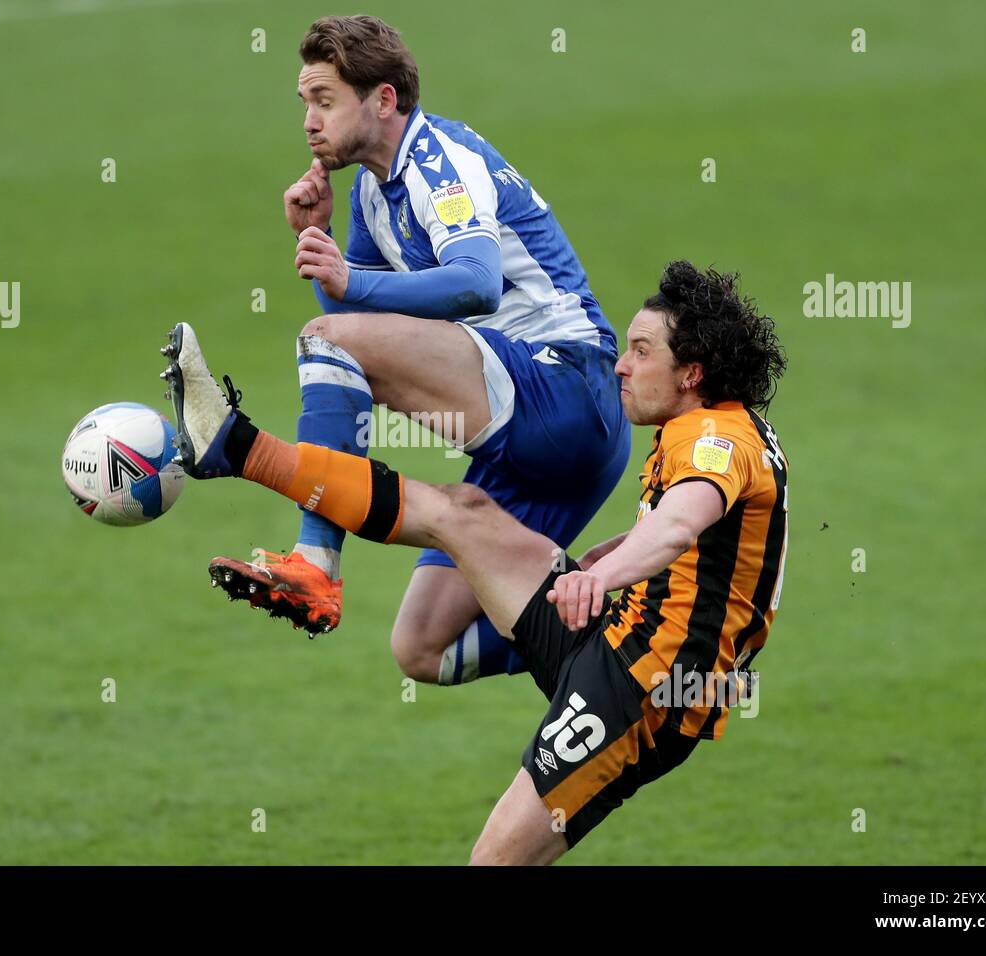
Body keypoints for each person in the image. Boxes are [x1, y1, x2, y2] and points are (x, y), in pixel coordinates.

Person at [160, 260, 789, 863]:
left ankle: (238, 452)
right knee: (459, 511)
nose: (621, 366)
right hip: (610, 633)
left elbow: (682, 524)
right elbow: (699, 544)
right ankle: (237, 448)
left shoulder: (716, 440)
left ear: (692, 374)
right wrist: (611, 554)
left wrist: (597, 575)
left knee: (495, 862)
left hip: (640, 691)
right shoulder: (713, 430)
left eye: (642, 352)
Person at [206, 14, 630, 689]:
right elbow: (360, 325)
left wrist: (347, 279)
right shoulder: (374, 190)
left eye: (325, 101)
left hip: (567, 389)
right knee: (422, 649)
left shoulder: (440, 162)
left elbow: (477, 282)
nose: (310, 122)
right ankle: (619, 627)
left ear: (382, 100)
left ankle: (316, 562)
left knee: (324, 343)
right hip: (522, 439)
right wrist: (326, 246)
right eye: (305, 104)